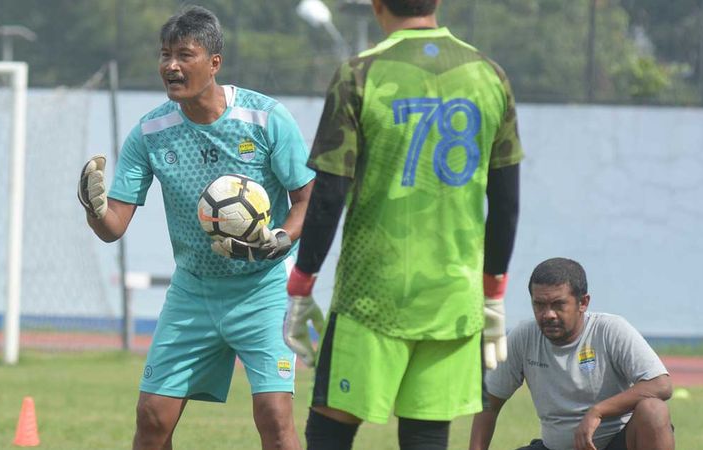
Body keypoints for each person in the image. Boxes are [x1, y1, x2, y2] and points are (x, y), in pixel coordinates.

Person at [281, 0, 524, 448]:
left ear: (376, 5)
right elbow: (506, 202)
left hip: (371, 295)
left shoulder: (358, 74)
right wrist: (492, 294)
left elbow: (329, 194)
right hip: (454, 297)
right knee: (427, 434)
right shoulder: (489, 75)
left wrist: (301, 283)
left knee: (332, 424)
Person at [77, 6, 315, 450]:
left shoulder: (265, 119)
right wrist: (93, 206)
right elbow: (113, 227)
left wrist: (282, 237)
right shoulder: (151, 131)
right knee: (152, 420)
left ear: (214, 63)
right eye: (165, 55)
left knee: (275, 418)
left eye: (185, 55)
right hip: (194, 291)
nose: (171, 65)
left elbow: (307, 199)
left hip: (262, 288)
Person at [469, 257, 674, 450]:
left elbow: (661, 385)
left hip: (614, 443)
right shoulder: (524, 336)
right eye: (539, 305)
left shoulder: (609, 330)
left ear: (583, 303)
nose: (548, 314)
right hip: (554, 447)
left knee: (654, 411)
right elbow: (489, 404)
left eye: (558, 305)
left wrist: (598, 411)